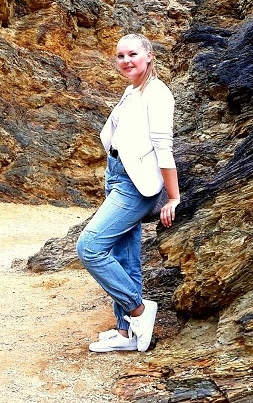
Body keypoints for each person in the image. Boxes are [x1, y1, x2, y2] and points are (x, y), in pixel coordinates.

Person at [76, 33, 180, 352]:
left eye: (132, 54)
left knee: (90, 247)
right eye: (120, 56)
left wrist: (173, 197)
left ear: (149, 55)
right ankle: (126, 334)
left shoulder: (158, 94)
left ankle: (139, 311)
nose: (126, 61)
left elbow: (163, 147)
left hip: (135, 185)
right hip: (117, 175)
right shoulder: (133, 90)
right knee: (125, 258)